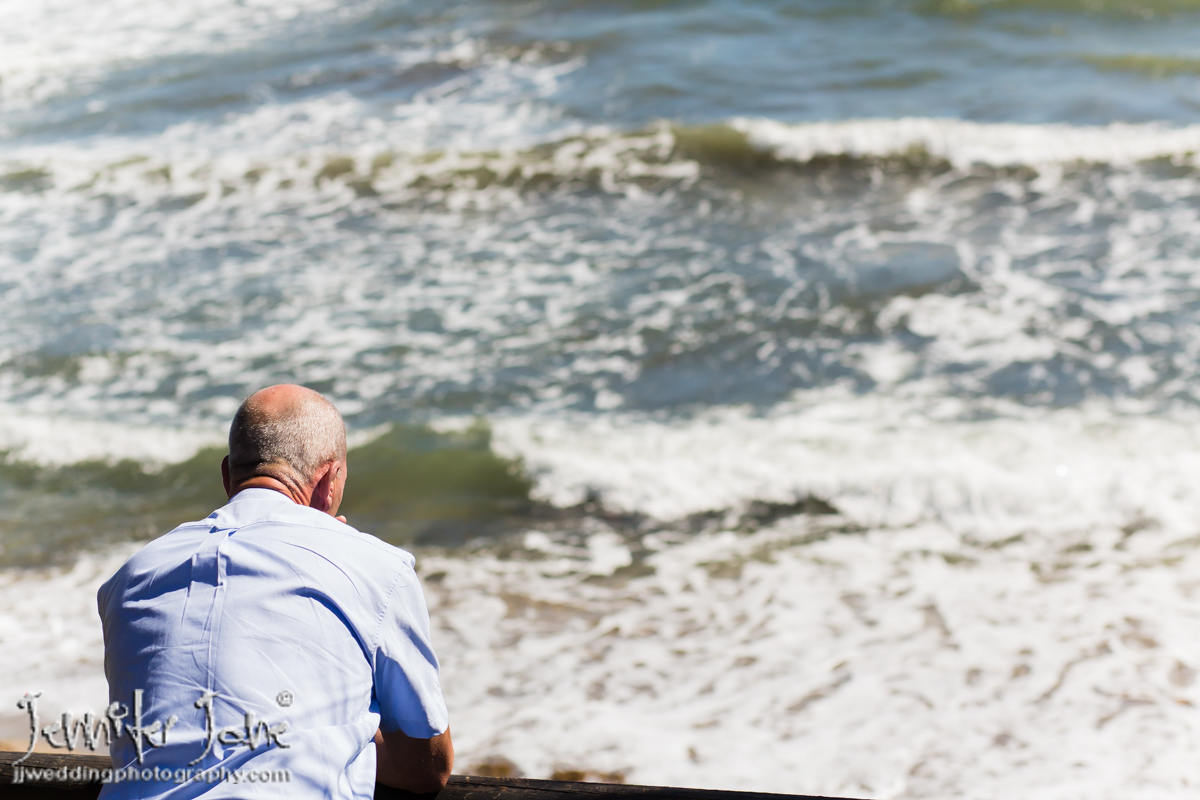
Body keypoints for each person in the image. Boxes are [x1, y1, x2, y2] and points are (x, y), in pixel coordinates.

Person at [96, 384, 453, 798]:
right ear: (328, 481)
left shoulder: (130, 577)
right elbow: (428, 766)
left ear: (229, 475)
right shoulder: (375, 566)